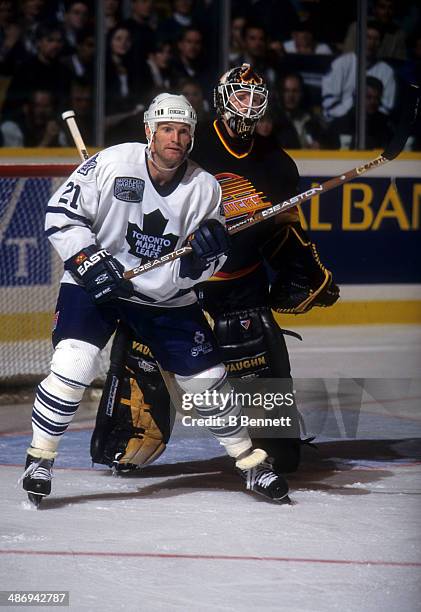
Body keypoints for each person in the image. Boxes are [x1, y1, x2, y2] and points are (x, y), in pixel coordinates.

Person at [20, 92, 289, 506]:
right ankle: (40, 458)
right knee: (73, 363)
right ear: (149, 131)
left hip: (164, 296)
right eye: (166, 129)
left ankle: (251, 463)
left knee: (207, 381)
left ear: (191, 138)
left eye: (183, 131)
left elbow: (206, 265)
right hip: (96, 284)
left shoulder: (204, 189)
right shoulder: (112, 163)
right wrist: (89, 261)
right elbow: (61, 214)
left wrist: (202, 257)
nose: (174, 138)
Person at [91, 65, 339, 496]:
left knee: (282, 457)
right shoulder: (190, 142)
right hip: (174, 288)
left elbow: (281, 232)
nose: (248, 105)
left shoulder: (279, 166)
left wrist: (303, 269)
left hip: (240, 293)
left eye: (255, 96)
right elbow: (146, 190)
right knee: (125, 447)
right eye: (239, 96)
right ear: (221, 98)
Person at [322, 20, 397, 121]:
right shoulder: (341, 64)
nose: (371, 43)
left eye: (376, 39)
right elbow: (329, 104)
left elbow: (386, 108)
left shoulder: (387, 71)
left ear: (380, 43)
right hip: (339, 121)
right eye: (368, 37)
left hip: (372, 125)